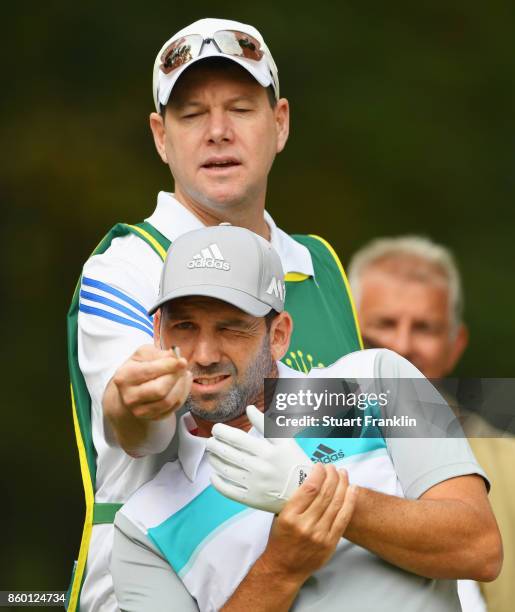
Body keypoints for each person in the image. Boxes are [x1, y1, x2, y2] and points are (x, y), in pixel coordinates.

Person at [66, 18, 362, 612]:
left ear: (279, 123)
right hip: (149, 590)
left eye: (240, 109)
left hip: (309, 587)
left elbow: (359, 439)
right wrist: (134, 403)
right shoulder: (125, 266)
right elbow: (143, 429)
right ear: (160, 136)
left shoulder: (321, 265)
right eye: (192, 114)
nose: (218, 132)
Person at [111, 224, 502, 612]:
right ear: (159, 332)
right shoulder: (143, 526)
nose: (205, 353)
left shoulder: (377, 379)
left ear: (278, 334)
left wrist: (311, 492)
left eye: (231, 327)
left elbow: (480, 548)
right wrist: (282, 565)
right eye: (185, 326)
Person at [348, 235, 515, 612]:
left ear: (456, 344)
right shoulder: (306, 443)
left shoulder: (510, 463)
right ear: (349, 331)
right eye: (385, 324)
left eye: (424, 328)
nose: (403, 345)